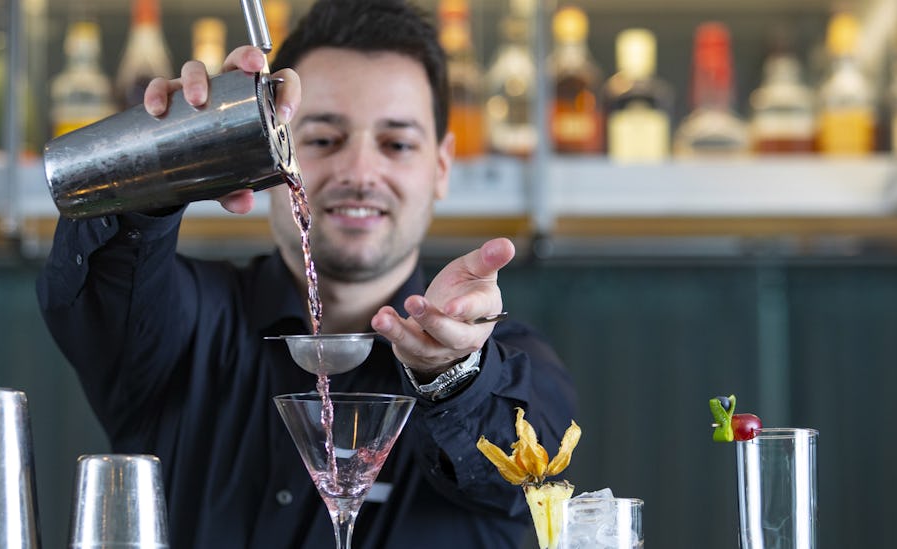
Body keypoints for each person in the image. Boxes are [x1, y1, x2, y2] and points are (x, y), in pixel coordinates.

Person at [37, 1, 576, 547]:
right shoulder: (184, 326)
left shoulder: (511, 364)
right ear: (272, 146)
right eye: (321, 139)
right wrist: (159, 156)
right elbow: (99, 289)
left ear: (441, 166)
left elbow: (528, 474)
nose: (359, 172)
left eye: (396, 144)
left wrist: (453, 375)